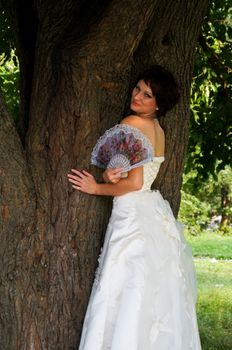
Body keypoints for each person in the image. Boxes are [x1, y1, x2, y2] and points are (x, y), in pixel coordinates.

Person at [67, 65, 201, 350]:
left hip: (132, 216)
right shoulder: (158, 130)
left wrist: (97, 188)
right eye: (138, 88)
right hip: (151, 212)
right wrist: (108, 175)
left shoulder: (132, 123)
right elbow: (135, 176)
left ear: (158, 104)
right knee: (148, 294)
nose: (138, 96)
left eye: (147, 94)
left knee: (123, 290)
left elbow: (133, 184)